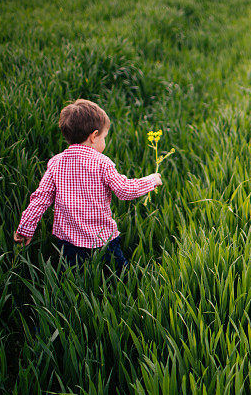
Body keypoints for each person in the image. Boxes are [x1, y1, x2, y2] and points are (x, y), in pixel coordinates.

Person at [13, 99, 161, 273]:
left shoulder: (56, 163)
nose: (104, 142)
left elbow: (40, 199)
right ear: (94, 136)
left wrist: (25, 228)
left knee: (72, 278)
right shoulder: (102, 164)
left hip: (68, 242)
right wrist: (151, 180)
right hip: (103, 239)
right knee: (120, 275)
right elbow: (124, 190)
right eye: (104, 137)